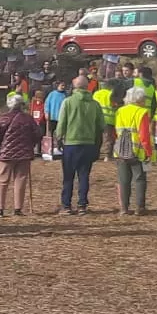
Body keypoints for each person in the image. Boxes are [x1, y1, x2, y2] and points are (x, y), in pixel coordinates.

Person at [54, 75, 104, 215]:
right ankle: (82, 205)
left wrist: (58, 138)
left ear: (75, 87)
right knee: (84, 175)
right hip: (88, 143)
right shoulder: (95, 104)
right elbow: (101, 125)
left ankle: (66, 205)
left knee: (68, 176)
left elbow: (62, 122)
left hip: (71, 143)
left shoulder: (68, 102)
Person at [0, 94, 41, 218]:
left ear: (9, 105)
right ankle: (18, 209)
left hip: (6, 154)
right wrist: (30, 145)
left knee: (2, 181)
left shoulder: (3, 119)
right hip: (24, 154)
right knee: (20, 180)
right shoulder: (28, 119)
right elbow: (38, 134)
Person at [113, 84, 155, 216]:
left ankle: (124, 208)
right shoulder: (142, 112)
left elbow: (116, 131)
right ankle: (139, 208)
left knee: (123, 180)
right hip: (137, 151)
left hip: (120, 149)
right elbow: (144, 135)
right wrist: (148, 152)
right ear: (139, 100)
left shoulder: (120, 111)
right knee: (139, 179)